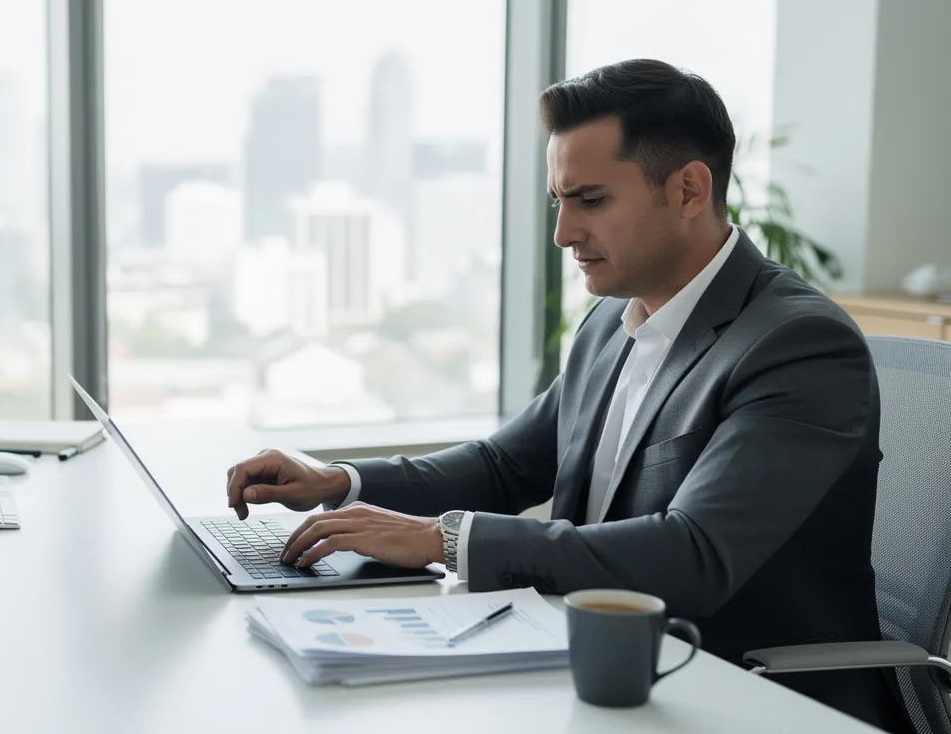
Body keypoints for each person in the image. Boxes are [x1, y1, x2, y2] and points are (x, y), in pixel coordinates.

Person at [224, 59, 909, 731]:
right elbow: (504, 466)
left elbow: (693, 556)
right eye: (560, 202)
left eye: (591, 201)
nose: (563, 235)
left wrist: (440, 538)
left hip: (739, 694)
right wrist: (336, 482)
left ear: (689, 190)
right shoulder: (613, 318)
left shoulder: (797, 345)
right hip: (596, 672)